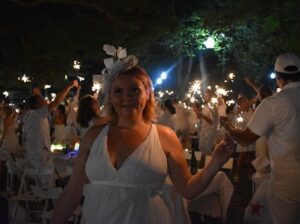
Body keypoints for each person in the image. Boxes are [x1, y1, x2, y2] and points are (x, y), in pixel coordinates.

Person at [51, 55, 234, 224]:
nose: (126, 97)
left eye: (134, 90)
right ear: (110, 96)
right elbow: (71, 193)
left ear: (147, 93)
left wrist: (216, 161)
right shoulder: (93, 135)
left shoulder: (164, 136)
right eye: (118, 91)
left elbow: (187, 188)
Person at [220, 53, 300, 223]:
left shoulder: (273, 103)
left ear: (279, 78)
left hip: (288, 180)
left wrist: (226, 124)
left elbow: (244, 139)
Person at [22, 80, 78, 169]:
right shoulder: (37, 114)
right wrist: (69, 87)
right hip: (40, 158)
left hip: (32, 156)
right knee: (68, 165)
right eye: (42, 99)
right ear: (38, 104)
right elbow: (57, 101)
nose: (45, 101)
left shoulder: (31, 115)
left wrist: (38, 94)